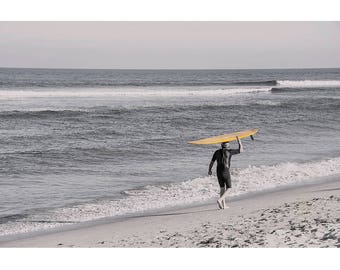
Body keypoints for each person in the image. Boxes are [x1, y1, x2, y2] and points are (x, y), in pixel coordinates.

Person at [208, 137, 243, 209]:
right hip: (225, 170)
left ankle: (223, 205)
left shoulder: (216, 152)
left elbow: (212, 162)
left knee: (222, 188)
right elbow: (241, 150)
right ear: (228, 145)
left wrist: (209, 170)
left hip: (218, 171)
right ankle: (220, 200)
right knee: (229, 187)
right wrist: (239, 140)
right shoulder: (230, 151)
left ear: (221, 145)